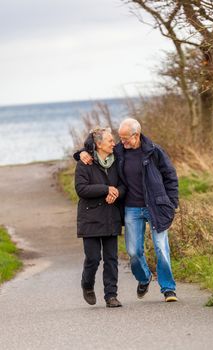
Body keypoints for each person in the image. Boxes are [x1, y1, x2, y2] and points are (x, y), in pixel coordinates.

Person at [79, 118, 179, 302]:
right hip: (132, 208)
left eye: (125, 139)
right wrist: (81, 153)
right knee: (133, 252)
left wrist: (172, 203)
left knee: (161, 248)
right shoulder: (119, 151)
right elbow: (97, 150)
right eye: (120, 138)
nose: (121, 142)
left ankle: (168, 289)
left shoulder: (154, 151)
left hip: (156, 206)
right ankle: (144, 278)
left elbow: (170, 176)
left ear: (137, 135)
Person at [73, 127, 125, 308]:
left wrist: (116, 191)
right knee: (93, 258)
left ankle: (111, 295)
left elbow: (123, 184)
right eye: (110, 141)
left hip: (111, 216)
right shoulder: (84, 163)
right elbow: (81, 189)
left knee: (111, 258)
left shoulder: (116, 161)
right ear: (98, 144)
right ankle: (87, 284)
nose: (114, 143)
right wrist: (106, 189)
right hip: (91, 218)